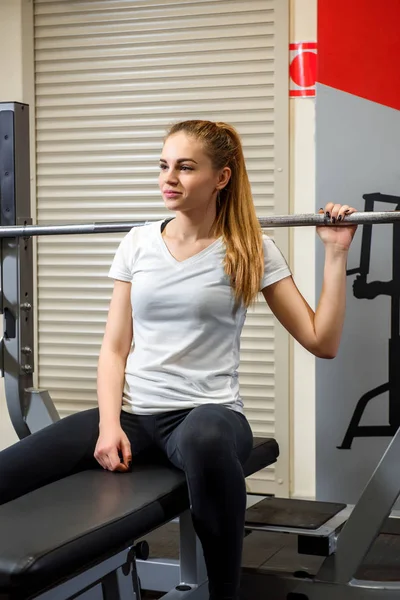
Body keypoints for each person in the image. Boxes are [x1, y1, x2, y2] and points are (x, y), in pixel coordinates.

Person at [0, 120, 357, 600]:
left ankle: (224, 594)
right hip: (134, 414)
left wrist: (336, 254)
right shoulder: (138, 242)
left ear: (222, 178)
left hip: (206, 414)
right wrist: (109, 426)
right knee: (11, 470)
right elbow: (114, 347)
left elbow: (322, 340)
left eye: (186, 168)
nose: (169, 178)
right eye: (164, 165)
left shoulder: (251, 249)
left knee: (207, 438)